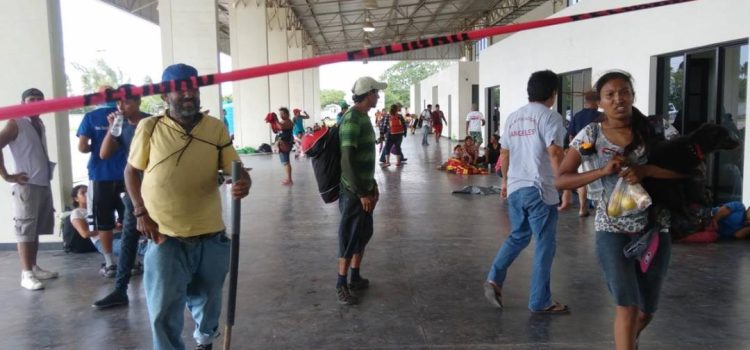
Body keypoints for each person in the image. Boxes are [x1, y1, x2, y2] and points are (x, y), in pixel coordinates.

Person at [556, 71, 685, 349]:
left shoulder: (658, 129)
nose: (618, 99)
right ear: (600, 102)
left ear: (633, 95)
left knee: (646, 310)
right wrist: (601, 171)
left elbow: (687, 170)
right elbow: (561, 178)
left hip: (654, 229)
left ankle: (629, 340)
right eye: (610, 95)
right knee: (626, 305)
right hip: (611, 230)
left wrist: (647, 170)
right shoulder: (590, 134)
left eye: (624, 92)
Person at [126, 64, 251, 350]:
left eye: (193, 88)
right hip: (164, 234)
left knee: (209, 301)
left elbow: (237, 170)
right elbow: (131, 172)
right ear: (165, 94)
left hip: (210, 233)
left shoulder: (215, 127)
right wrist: (140, 212)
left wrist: (243, 182)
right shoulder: (150, 127)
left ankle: (205, 342)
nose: (188, 94)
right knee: (164, 310)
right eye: (180, 89)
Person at [483, 70, 568, 314]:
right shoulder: (550, 117)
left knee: (518, 236)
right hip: (540, 188)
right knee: (544, 244)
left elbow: (505, 154)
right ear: (553, 93)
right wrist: (564, 187)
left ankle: (494, 279)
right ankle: (540, 300)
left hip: (517, 189)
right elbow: (555, 153)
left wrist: (505, 183)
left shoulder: (513, 117)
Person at [93, 84, 150, 309]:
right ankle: (120, 290)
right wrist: (111, 128)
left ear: (138, 102)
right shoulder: (120, 125)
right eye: (118, 102)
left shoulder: (152, 122)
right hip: (135, 188)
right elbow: (104, 153)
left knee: (168, 236)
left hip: (159, 190)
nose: (121, 106)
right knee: (128, 239)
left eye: (126, 102)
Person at [0, 88, 59, 290]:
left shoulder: (39, 123)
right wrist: (7, 175)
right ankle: (26, 274)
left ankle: (33, 267)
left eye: (39, 100)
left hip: (42, 182)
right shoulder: (15, 122)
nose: (35, 102)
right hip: (27, 186)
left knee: (35, 229)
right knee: (25, 229)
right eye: (31, 100)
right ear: (23, 103)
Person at [336, 76, 384, 305]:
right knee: (349, 235)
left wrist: (372, 185)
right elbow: (346, 160)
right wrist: (360, 192)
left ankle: (354, 276)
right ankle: (341, 283)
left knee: (363, 233)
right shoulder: (352, 119)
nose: (379, 96)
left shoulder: (364, 117)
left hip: (365, 187)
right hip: (353, 192)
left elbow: (365, 158)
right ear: (368, 94)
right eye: (376, 92)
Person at [77, 86, 126, 278]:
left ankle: (109, 264)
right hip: (127, 174)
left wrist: (96, 146)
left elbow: (82, 147)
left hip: (100, 174)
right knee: (132, 217)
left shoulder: (91, 117)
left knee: (104, 222)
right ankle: (133, 261)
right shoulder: (125, 114)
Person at [68, 185, 146, 267]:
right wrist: (107, 228)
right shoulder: (77, 212)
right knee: (136, 246)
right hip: (102, 240)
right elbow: (85, 233)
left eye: (88, 192)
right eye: (82, 193)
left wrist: (116, 225)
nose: (87, 194)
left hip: (119, 234)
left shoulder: (99, 208)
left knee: (143, 241)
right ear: (76, 198)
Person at [563, 90, 602, 216]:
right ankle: (600, 208)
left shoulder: (577, 116)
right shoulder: (601, 116)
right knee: (598, 179)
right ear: (597, 101)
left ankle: (582, 208)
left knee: (582, 180)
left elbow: (571, 136)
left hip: (579, 152)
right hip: (596, 153)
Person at [273, 108, 294, 185]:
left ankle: (289, 179)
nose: (281, 115)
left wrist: (275, 120)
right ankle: (289, 178)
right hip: (282, 144)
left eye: (283, 114)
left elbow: (281, 127)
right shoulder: (282, 121)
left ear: (287, 114)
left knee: (286, 162)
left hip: (285, 144)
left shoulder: (288, 121)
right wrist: (273, 122)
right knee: (285, 162)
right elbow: (277, 129)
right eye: (280, 114)